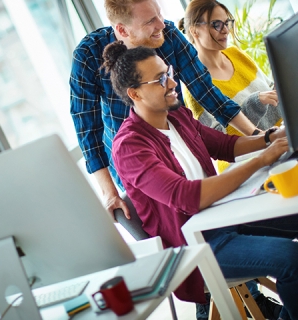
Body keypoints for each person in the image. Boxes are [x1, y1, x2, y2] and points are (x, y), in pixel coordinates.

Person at [105, 42, 298, 320]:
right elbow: (186, 196)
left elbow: (226, 146)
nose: (172, 82)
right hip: (197, 249)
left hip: (226, 219)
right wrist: (262, 159)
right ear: (135, 93)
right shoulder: (129, 147)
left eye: (167, 72)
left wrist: (271, 137)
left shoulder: (178, 117)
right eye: (160, 79)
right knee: (292, 260)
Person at [69, 0, 262, 220]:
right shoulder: (88, 54)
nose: (162, 24)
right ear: (122, 29)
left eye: (159, 14)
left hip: (176, 137)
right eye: (151, 20)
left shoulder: (168, 34)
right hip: (135, 156)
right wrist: (110, 193)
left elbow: (206, 92)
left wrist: (259, 137)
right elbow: (87, 129)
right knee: (176, 218)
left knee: (209, 202)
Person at [178, 0, 282, 173]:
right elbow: (221, 141)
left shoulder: (235, 54)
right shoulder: (195, 88)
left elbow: (271, 91)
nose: (225, 30)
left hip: (280, 141)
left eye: (227, 23)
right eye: (216, 25)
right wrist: (255, 103)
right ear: (194, 31)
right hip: (248, 165)